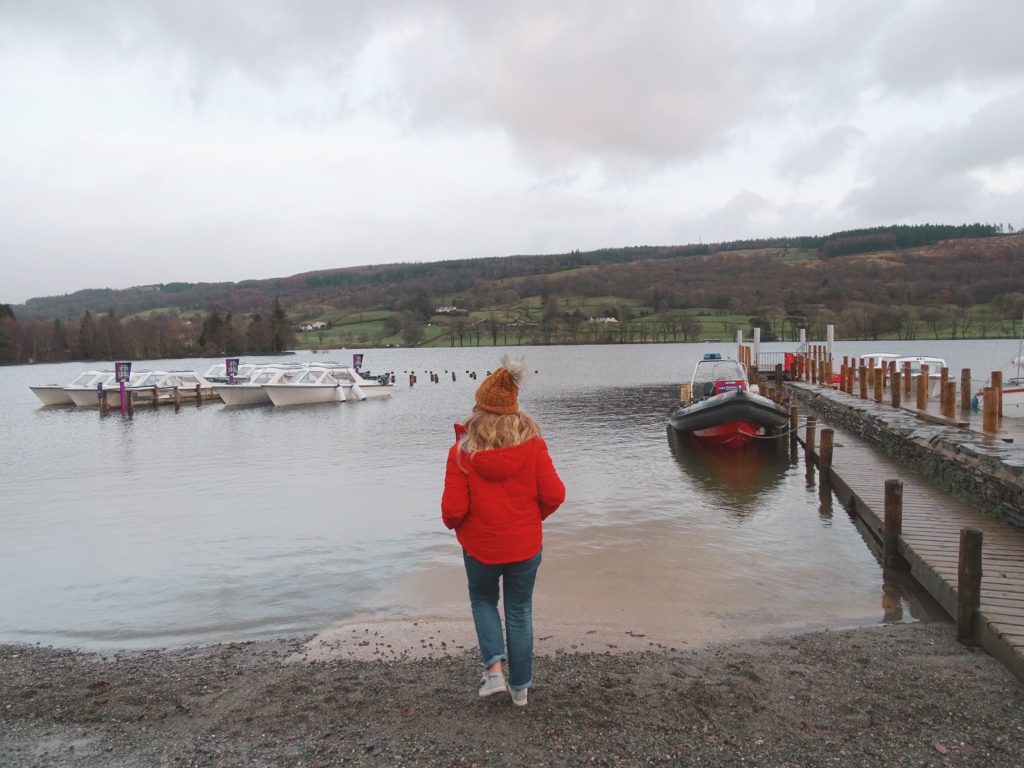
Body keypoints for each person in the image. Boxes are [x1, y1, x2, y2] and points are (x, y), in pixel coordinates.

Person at [441, 357, 565, 707]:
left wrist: (466, 526)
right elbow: (555, 495)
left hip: (480, 547)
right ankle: (520, 690)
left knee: (483, 601)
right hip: (524, 545)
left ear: (478, 411)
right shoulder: (534, 445)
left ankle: (494, 672)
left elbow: (452, 512)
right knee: (519, 610)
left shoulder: (460, 453)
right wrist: (530, 519)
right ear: (514, 412)